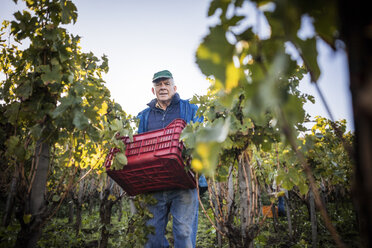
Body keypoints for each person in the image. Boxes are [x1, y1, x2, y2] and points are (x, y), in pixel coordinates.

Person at [137, 70, 206, 248]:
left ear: (174, 87)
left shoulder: (190, 109)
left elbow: (201, 138)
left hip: (183, 181)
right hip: (155, 183)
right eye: (158, 84)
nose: (162, 87)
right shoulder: (145, 115)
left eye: (166, 83)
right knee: (151, 236)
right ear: (153, 91)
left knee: (184, 232)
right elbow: (140, 147)